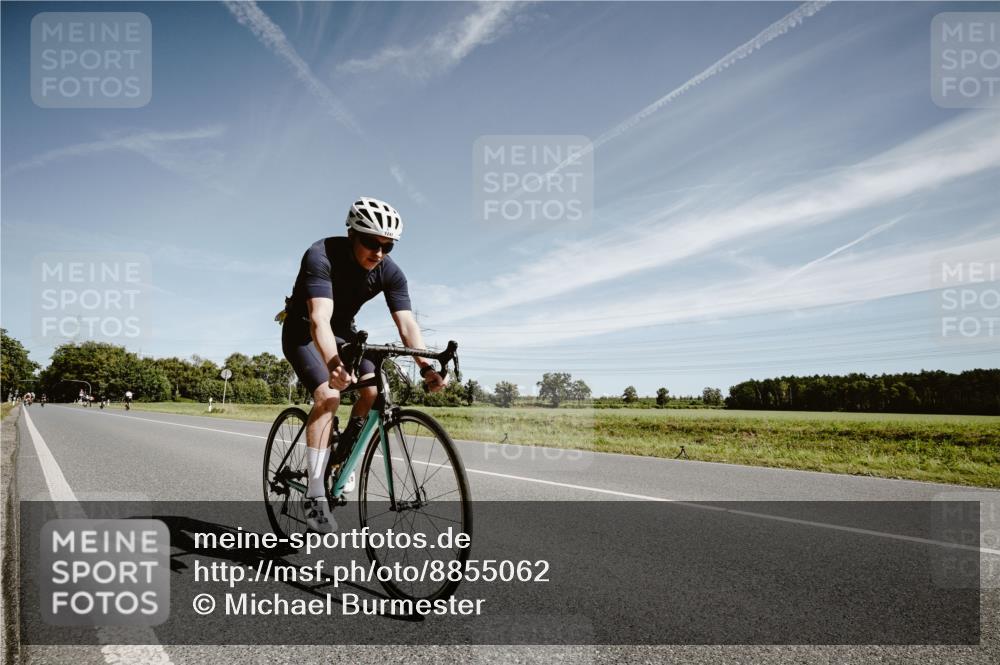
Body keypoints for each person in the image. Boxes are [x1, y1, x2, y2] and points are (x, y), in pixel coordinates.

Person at [280, 196, 446, 533]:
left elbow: (407, 326)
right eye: (372, 242)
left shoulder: (390, 272)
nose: (380, 252)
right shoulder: (321, 254)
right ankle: (314, 495)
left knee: (372, 391)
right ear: (352, 234)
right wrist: (333, 365)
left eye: (389, 246)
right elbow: (319, 320)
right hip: (303, 332)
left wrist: (427, 367)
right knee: (328, 395)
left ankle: (341, 457)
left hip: (344, 334)